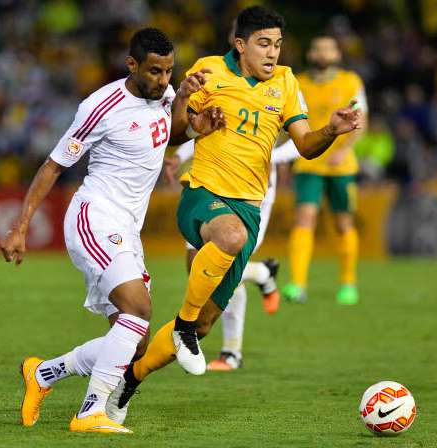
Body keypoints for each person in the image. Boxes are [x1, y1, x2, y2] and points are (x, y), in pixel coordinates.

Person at [108, 5, 363, 417]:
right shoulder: (209, 71)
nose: (272, 53)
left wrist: (331, 130)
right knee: (229, 239)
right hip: (203, 195)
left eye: (278, 45)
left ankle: (129, 380)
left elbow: (304, 144)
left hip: (248, 208)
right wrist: (186, 99)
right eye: (263, 44)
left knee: (210, 320)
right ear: (240, 44)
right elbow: (175, 135)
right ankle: (185, 327)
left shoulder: (285, 81)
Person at [0, 28, 221, 434]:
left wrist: (193, 127)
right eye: (155, 71)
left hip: (126, 228)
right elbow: (53, 165)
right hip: (95, 217)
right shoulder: (100, 106)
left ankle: (43, 374)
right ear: (132, 65)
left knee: (133, 340)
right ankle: (89, 412)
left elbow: (165, 135)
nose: (163, 80)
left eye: (169, 71)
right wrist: (20, 226)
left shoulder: (167, 95)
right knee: (138, 310)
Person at [164, 135, 299, 371]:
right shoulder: (219, 95)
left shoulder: (287, 96)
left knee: (226, 265)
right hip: (210, 185)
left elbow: (302, 142)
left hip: (253, 191)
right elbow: (208, 130)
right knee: (198, 270)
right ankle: (261, 273)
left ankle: (231, 352)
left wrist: (267, 155)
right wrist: (180, 155)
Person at [281, 35, 367, 305]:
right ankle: (297, 284)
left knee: (343, 223)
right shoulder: (298, 83)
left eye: (328, 48)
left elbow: (362, 118)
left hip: (341, 165)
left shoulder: (350, 81)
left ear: (337, 54)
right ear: (311, 54)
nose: (322, 53)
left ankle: (348, 283)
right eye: (318, 48)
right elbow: (288, 124)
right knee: (304, 218)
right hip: (308, 162)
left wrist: (343, 149)